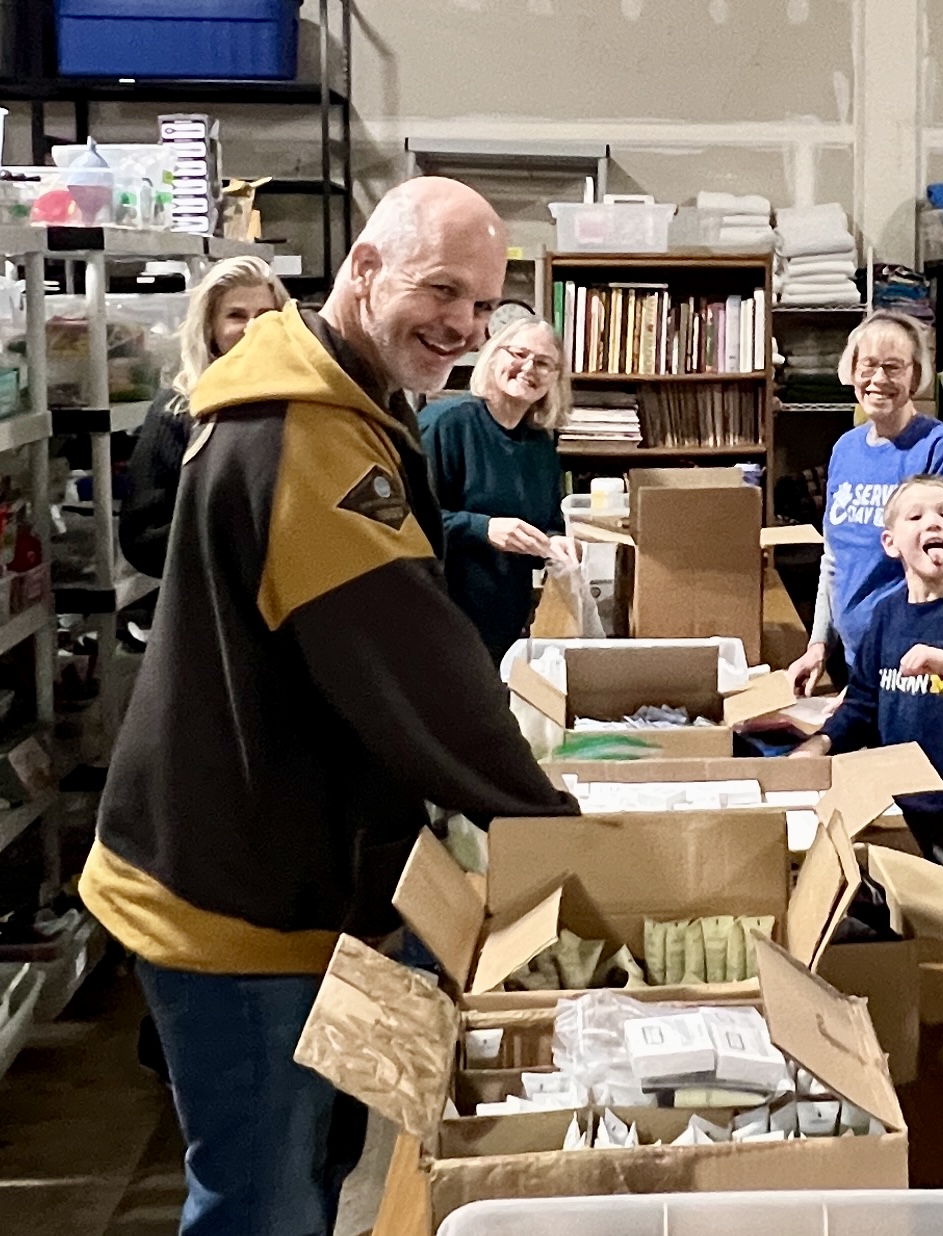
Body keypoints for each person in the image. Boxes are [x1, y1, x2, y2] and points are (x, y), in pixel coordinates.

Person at [79, 177, 580, 1236]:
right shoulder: (307, 435)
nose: (465, 326)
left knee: (315, 1170)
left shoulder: (345, 397)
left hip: (296, 869)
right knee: (264, 1201)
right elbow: (409, 657)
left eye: (483, 305)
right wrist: (558, 832)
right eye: (441, 290)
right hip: (237, 897)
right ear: (363, 269)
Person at [792, 474, 943, 869]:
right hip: (892, 807)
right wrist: (821, 742)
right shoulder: (886, 619)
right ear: (891, 543)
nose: (933, 522)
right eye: (916, 516)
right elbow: (862, 703)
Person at [787, 310, 943, 695]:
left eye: (893, 367)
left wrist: (886, 675)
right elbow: (834, 559)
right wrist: (819, 644)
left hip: (908, 665)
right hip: (852, 660)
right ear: (851, 371)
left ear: (915, 376)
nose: (878, 379)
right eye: (868, 365)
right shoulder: (845, 449)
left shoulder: (940, 446)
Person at [420, 312, 577, 661]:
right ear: (493, 357)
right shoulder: (446, 425)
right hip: (438, 620)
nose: (528, 368)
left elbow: (549, 520)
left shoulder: (540, 444)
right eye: (519, 354)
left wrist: (556, 543)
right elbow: (406, 519)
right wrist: (483, 528)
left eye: (543, 363)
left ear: (555, 379)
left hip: (505, 624)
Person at [120, 256, 289, 578]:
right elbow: (142, 539)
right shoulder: (178, 409)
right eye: (236, 315)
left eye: (266, 316)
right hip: (212, 594)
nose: (253, 327)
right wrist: (239, 541)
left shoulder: (301, 403)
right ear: (210, 327)